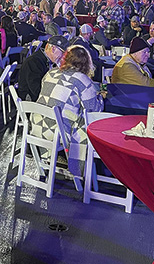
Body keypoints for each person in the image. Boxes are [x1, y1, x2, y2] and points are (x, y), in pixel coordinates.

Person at [36, 45, 104, 177]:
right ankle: (78, 172)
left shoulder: (50, 73)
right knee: (84, 122)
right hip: (56, 133)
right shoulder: (82, 80)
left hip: (37, 128)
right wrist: (100, 98)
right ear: (86, 63)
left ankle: (51, 160)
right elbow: (93, 110)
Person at [17, 35, 68, 101]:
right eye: (63, 53)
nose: (63, 57)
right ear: (53, 49)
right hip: (31, 103)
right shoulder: (33, 62)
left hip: (43, 98)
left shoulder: (49, 60)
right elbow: (36, 90)